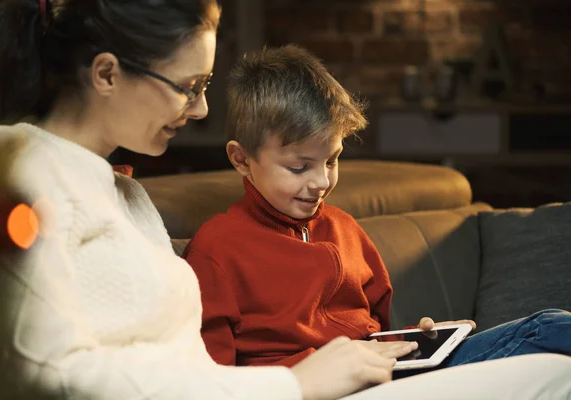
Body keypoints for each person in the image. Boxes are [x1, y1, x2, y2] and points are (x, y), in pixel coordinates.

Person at [0, 0, 569, 399]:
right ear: (106, 74)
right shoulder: (17, 175)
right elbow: (45, 375)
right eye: (189, 86)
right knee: (551, 370)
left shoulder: (123, 191)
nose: (201, 108)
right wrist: (297, 383)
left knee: (552, 361)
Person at [183, 45, 571, 371]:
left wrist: (411, 340)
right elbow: (215, 378)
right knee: (542, 335)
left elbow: (372, 330)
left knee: (550, 342)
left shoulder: (346, 230)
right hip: (316, 387)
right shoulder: (217, 248)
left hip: (388, 377)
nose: (321, 181)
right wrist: (325, 365)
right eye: (299, 167)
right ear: (241, 159)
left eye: (332, 160)